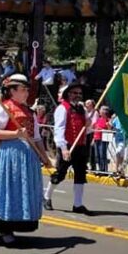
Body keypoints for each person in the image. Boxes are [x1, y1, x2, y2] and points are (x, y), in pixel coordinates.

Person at [0, 74, 45, 245]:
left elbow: (36, 138)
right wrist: (14, 133)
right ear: (12, 91)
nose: (26, 92)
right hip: (7, 155)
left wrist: (44, 157)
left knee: (22, 190)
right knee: (7, 190)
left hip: (26, 158)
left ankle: (17, 223)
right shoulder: (4, 108)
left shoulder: (30, 111)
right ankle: (4, 227)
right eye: (23, 89)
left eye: (27, 89)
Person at [43, 83, 91, 213]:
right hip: (67, 146)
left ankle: (78, 204)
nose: (78, 96)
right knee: (60, 174)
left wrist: (88, 124)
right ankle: (47, 197)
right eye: (75, 93)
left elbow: (87, 130)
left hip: (80, 146)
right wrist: (63, 148)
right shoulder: (62, 108)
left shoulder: (83, 109)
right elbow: (59, 129)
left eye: (79, 94)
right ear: (68, 94)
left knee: (80, 175)